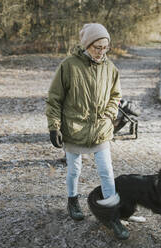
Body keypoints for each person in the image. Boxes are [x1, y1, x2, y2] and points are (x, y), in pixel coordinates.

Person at [46, 23, 128, 238]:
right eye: (97, 47)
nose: (102, 52)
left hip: (100, 129)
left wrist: (110, 114)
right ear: (87, 45)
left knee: (106, 172)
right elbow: (54, 99)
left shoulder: (111, 69)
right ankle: (72, 201)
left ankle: (112, 216)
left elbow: (115, 95)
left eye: (105, 47)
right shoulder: (69, 66)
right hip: (74, 128)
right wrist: (54, 127)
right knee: (74, 170)